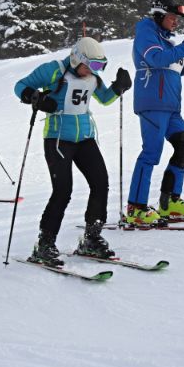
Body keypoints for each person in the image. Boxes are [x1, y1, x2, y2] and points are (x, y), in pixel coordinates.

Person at [14, 37, 131, 263]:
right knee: (62, 191)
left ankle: (92, 238)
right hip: (58, 138)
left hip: (86, 138)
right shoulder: (54, 70)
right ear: (77, 58)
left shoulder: (92, 76)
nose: (93, 72)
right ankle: (45, 244)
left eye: (98, 67)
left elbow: (105, 98)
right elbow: (20, 86)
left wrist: (119, 87)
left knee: (100, 184)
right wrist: (35, 97)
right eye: (91, 66)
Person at [126, 0, 184, 225]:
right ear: (160, 15)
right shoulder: (146, 32)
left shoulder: (168, 40)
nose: (175, 22)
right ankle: (136, 207)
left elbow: (177, 69)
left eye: (177, 19)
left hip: (171, 107)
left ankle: (170, 200)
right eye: (172, 18)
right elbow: (156, 59)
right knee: (151, 152)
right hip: (152, 103)